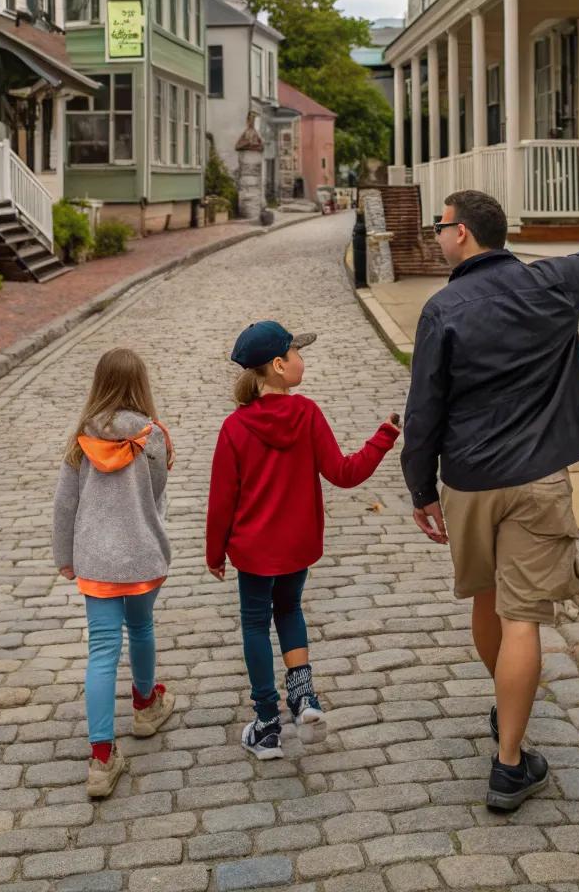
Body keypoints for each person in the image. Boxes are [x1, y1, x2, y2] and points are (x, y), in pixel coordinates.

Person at [402, 189, 579, 812]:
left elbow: (423, 408)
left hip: (471, 481)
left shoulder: (443, 308)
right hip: (538, 479)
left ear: (464, 234)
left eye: (440, 226)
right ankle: (509, 761)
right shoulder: (555, 283)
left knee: (487, 597)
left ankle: (509, 736)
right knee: (523, 617)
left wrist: (421, 487)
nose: (435, 235)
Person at [206, 320, 401, 759]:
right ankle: (304, 698)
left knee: (256, 624)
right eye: (296, 353)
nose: (301, 360)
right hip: (297, 547)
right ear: (278, 365)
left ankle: (268, 724)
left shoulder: (235, 429)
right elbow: (345, 473)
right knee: (289, 609)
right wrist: (383, 437)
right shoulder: (307, 413)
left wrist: (215, 552)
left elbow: (221, 502)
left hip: (254, 552)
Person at [53, 347, 177, 799]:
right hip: (142, 554)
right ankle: (145, 705)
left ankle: (101, 758)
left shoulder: (81, 438)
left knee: (102, 649)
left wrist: (63, 556)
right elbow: (159, 491)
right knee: (141, 625)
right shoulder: (153, 437)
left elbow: (65, 503)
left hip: (96, 560)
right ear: (141, 384)